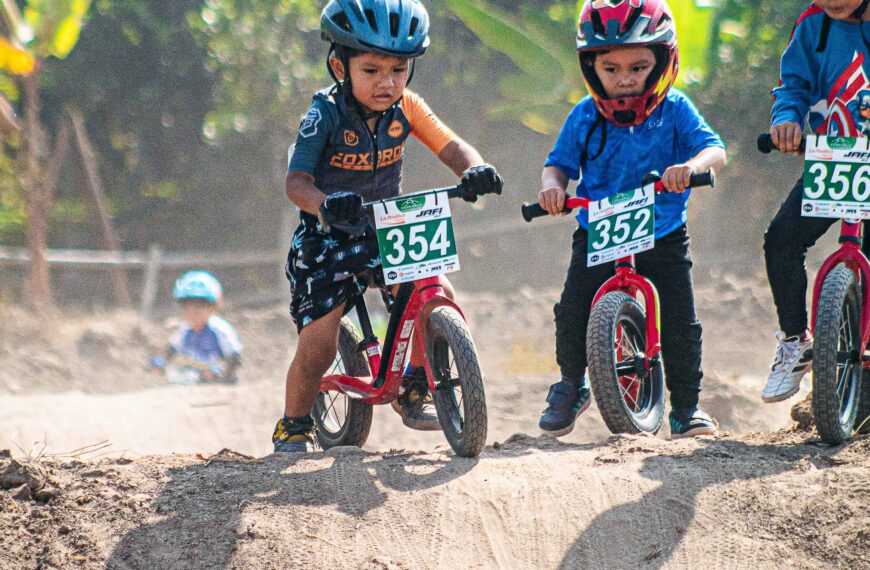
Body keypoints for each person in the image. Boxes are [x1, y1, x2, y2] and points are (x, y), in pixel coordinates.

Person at [272, 0, 503, 452]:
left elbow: (453, 148)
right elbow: (296, 182)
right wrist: (324, 205)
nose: (387, 82)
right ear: (340, 65)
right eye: (372, 70)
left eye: (398, 71)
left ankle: (417, 382)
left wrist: (475, 168)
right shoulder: (325, 113)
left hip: (388, 227)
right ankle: (294, 424)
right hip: (328, 236)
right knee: (318, 346)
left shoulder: (409, 108)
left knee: (438, 294)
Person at [535, 0, 726, 439]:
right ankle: (571, 383)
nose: (625, 79)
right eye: (611, 68)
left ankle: (686, 409)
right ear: (591, 68)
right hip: (599, 229)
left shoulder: (675, 108)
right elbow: (558, 165)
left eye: (639, 67)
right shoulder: (585, 114)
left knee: (680, 317)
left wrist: (692, 168)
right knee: (572, 308)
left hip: (662, 229)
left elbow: (714, 148)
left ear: (663, 62)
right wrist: (553, 188)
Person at [762, 0, 870, 403]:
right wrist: (785, 120)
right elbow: (794, 85)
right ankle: (795, 340)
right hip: (835, 158)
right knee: (782, 239)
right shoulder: (813, 25)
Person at [150, 270, 243, 384]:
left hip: (217, 382)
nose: (192, 315)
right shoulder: (184, 330)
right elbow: (171, 351)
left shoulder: (219, 329)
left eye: (198, 310)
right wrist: (161, 363)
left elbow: (235, 358)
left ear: (212, 308)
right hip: (191, 380)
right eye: (187, 310)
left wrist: (223, 373)